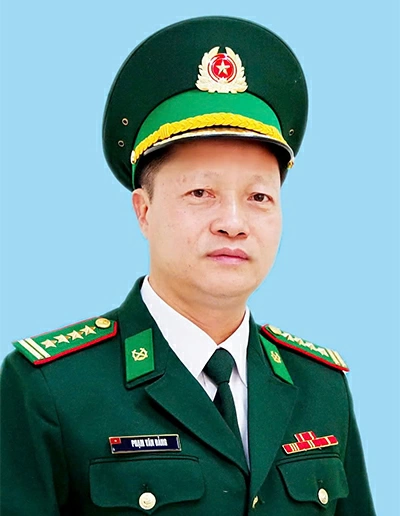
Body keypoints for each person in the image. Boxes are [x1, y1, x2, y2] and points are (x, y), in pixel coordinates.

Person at [0, 16, 376, 515]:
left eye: (259, 197)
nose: (234, 223)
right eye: (201, 193)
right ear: (144, 211)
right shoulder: (51, 389)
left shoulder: (321, 387)